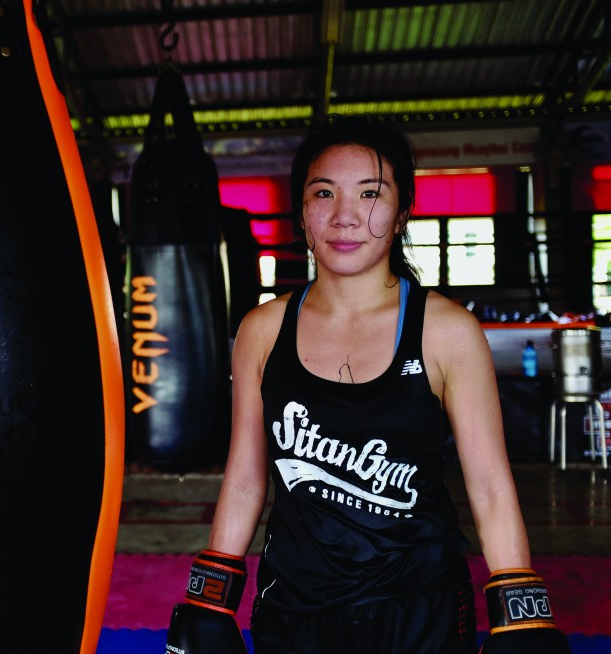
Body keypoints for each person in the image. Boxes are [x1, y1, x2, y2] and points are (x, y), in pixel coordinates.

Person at [165, 117, 568, 654]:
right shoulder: (262, 329)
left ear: (402, 214)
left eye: (370, 194)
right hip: (295, 608)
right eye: (323, 192)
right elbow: (244, 477)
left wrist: (523, 617)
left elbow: (491, 486)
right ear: (303, 215)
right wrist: (210, 597)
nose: (345, 216)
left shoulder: (447, 331)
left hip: (419, 607)